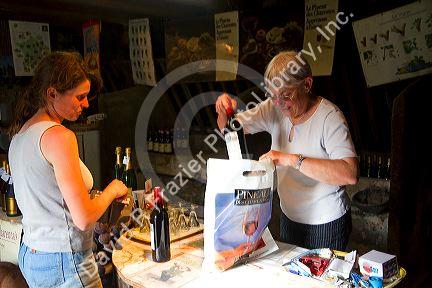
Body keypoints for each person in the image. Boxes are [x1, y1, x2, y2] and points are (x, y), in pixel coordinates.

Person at [216, 51, 358, 251]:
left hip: (326, 222)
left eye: (286, 95)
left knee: (320, 282)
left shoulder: (329, 117)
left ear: (307, 85)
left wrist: (292, 160)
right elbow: (229, 130)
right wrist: (224, 110)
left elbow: (349, 174)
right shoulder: (273, 108)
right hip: (289, 218)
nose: (280, 103)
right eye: (273, 96)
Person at [8, 51, 128, 288]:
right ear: (52, 93)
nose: (86, 104)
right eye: (80, 97)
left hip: (32, 255)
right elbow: (83, 219)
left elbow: (52, 202)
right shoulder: (59, 137)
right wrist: (112, 190)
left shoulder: (19, 136)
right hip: (64, 261)